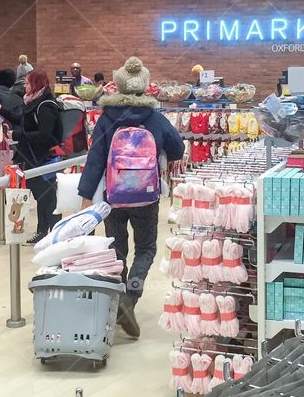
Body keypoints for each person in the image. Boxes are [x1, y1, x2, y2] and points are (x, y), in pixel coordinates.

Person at [78, 57, 185, 338]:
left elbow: (95, 159)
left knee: (117, 250)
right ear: (144, 87)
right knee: (146, 248)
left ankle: (118, 300)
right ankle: (131, 297)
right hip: (146, 197)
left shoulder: (106, 118)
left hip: (113, 196)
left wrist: (85, 194)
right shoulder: (155, 117)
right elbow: (178, 149)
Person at [12, 69, 63, 242]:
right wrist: (1, 110)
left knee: (48, 199)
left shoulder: (46, 105)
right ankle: (42, 232)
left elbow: (45, 135)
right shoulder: (33, 102)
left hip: (43, 159)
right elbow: (22, 119)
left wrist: (17, 135)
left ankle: (55, 234)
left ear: (35, 84)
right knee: (41, 197)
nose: (24, 86)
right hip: (32, 158)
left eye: (27, 82)